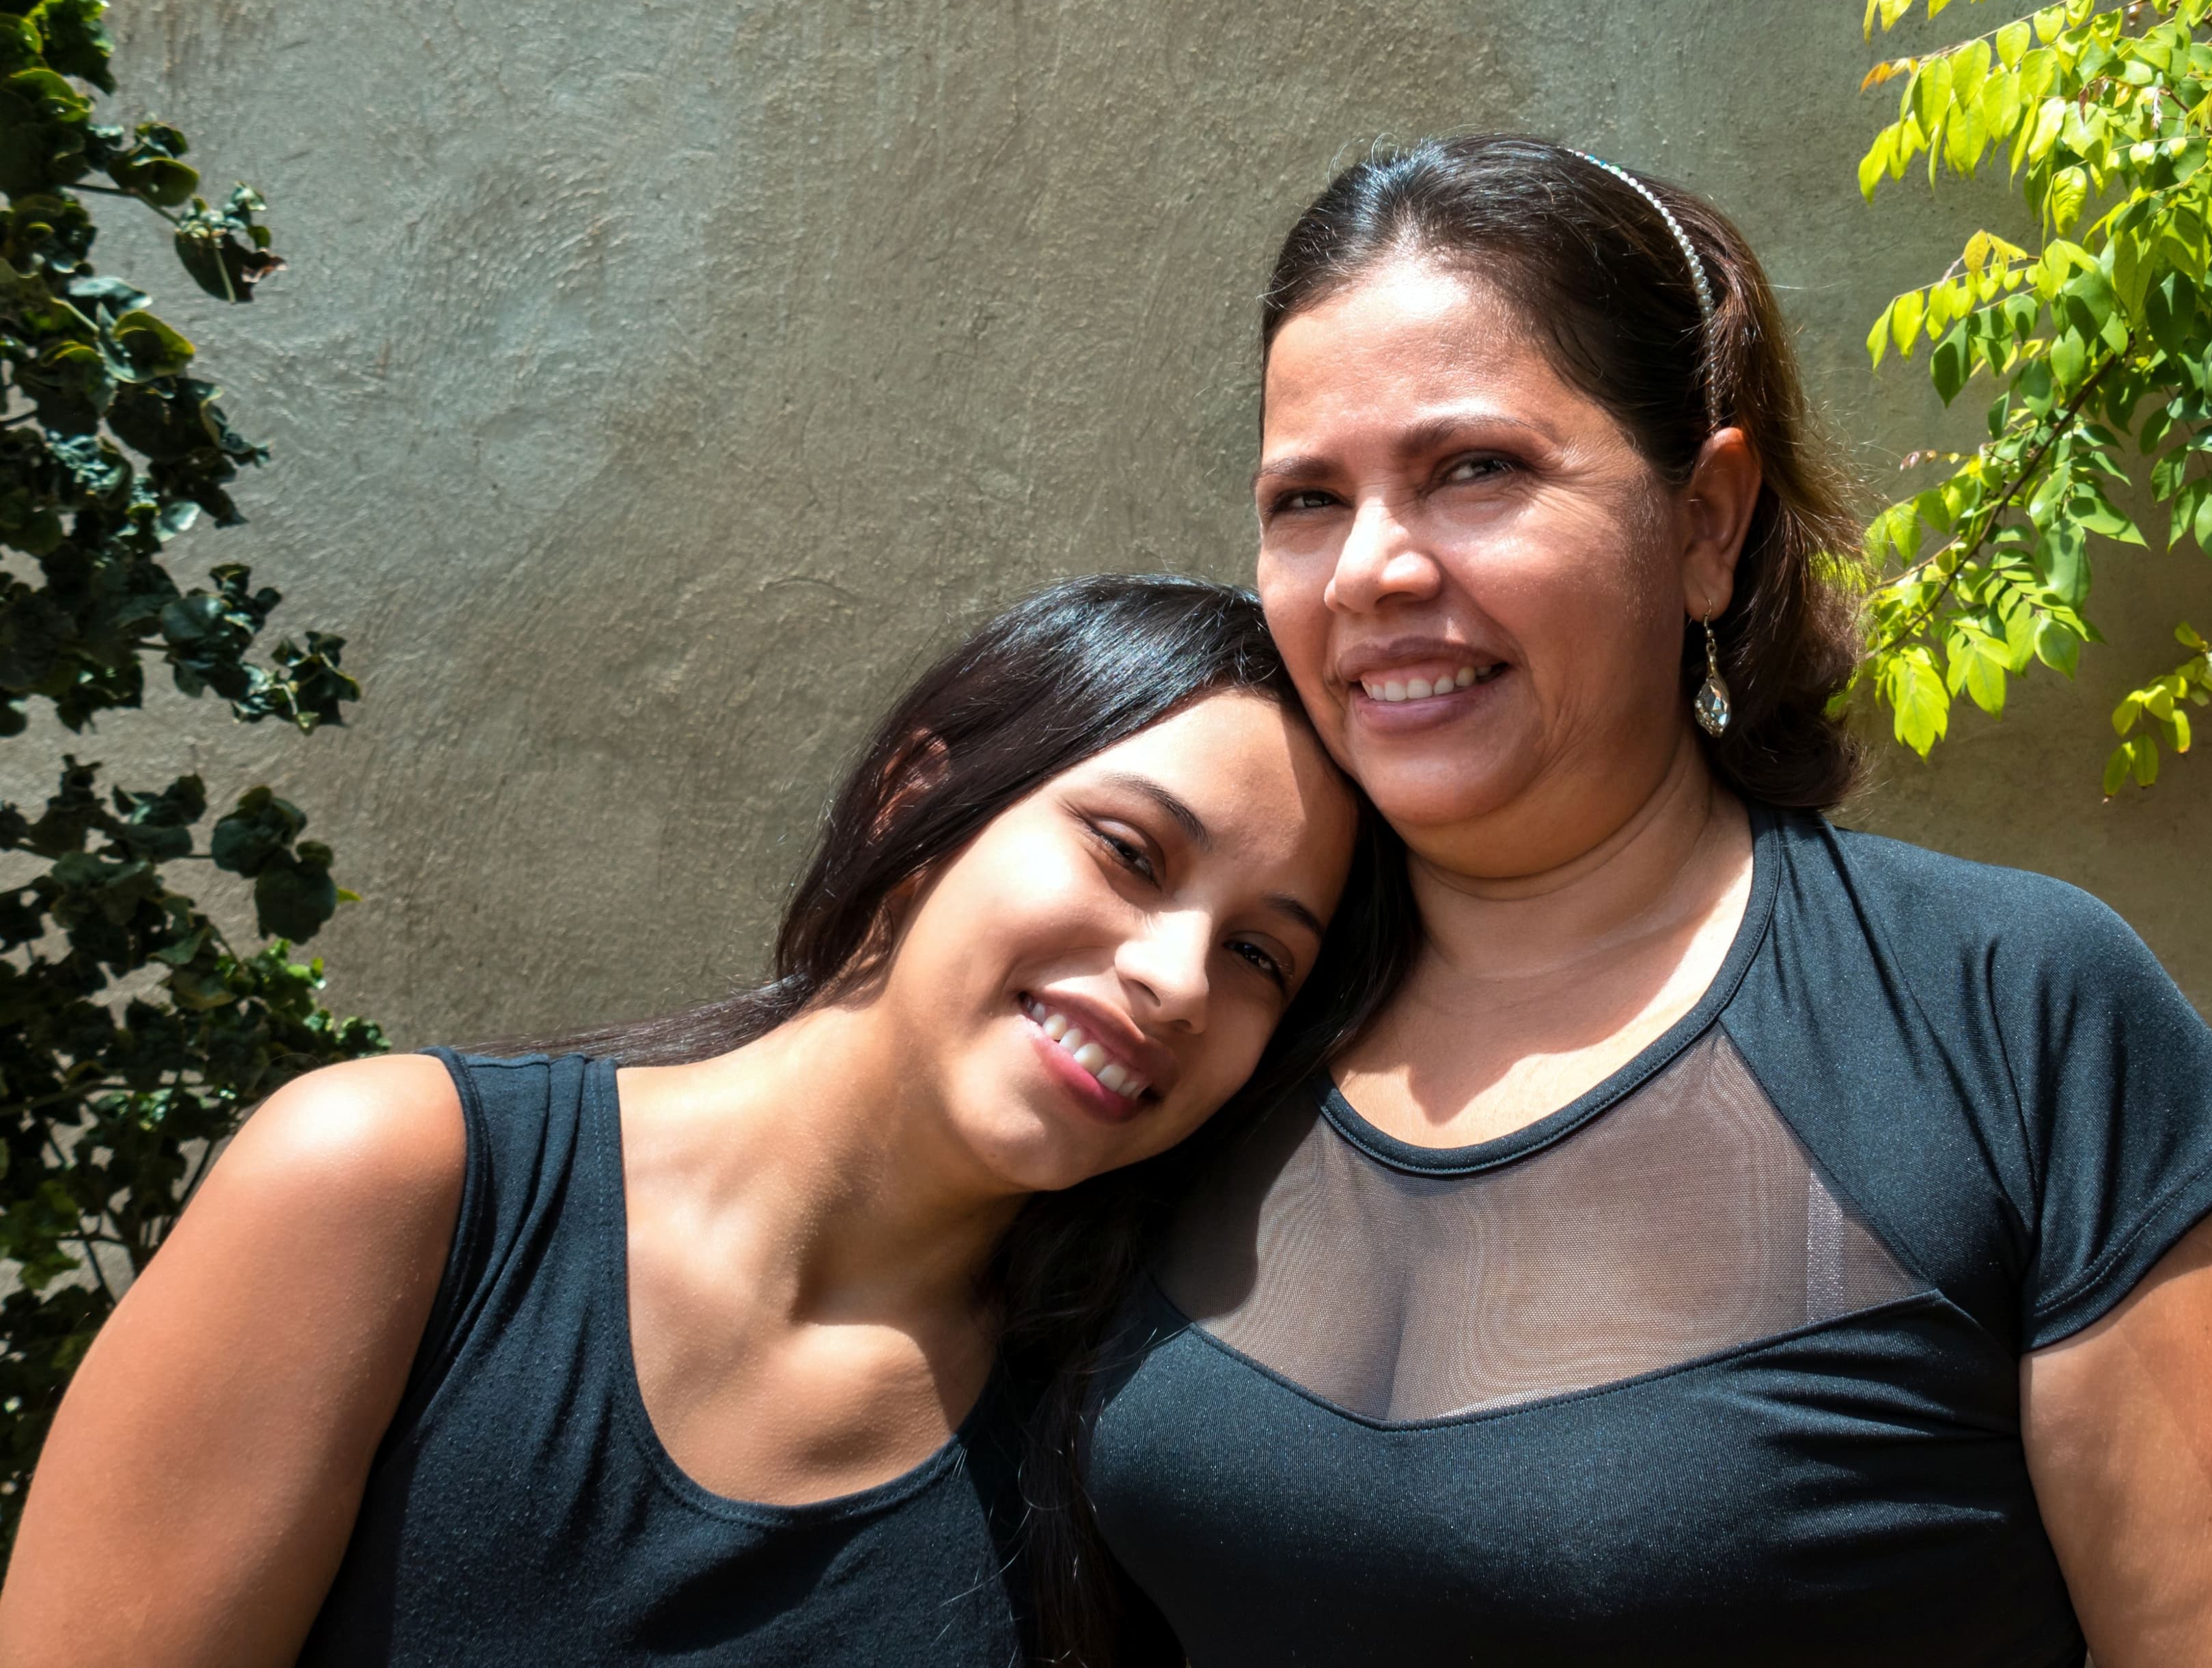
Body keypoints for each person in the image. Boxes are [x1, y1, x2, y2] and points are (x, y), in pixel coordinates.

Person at [1078, 137, 2212, 1667]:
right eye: (1308, 498)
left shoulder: (2008, 1022)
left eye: (1475, 470)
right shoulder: (1211, 1009)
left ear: (1707, 519)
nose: (1370, 569)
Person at [0, 575, 1410, 1667]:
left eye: (1260, 956)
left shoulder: (1116, 1465)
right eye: (1129, 852)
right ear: (921, 794)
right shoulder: (389, 1182)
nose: (1177, 978)